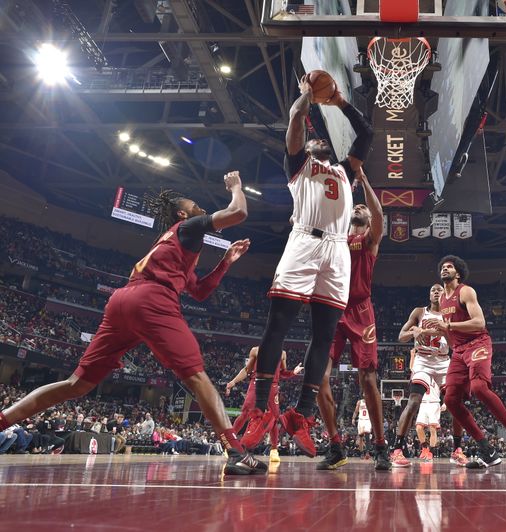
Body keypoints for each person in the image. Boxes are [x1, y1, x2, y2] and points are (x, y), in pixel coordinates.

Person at [0, 172, 264, 475]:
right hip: (152, 300)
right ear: (182, 213)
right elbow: (238, 212)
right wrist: (236, 188)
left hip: (122, 301)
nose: (200, 207)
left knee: (76, 384)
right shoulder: (188, 227)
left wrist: (226, 262)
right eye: (194, 204)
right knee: (197, 377)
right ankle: (235, 450)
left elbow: (200, 291)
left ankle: (2, 420)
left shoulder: (171, 245)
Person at [242, 74, 374, 457]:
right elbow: (296, 125)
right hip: (304, 240)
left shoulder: (345, 172)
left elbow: (365, 134)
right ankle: (261, 411)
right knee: (278, 325)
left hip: (337, 251)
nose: (319, 141)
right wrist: (305, 98)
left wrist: (339, 102)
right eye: (315, 140)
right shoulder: (298, 165)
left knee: (323, 335)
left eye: (322, 140)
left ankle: (300, 415)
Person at [316, 169, 389, 471]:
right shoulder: (336, 238)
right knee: (317, 375)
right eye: (355, 207)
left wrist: (364, 177)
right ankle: (335, 445)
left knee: (367, 380)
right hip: (333, 308)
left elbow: (378, 213)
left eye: (363, 209)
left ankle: (381, 446)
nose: (359, 207)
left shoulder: (370, 239)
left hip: (360, 311)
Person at [432, 255, 506, 468]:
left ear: (457, 273)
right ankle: (487, 449)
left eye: (449, 267)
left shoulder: (465, 291)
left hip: (478, 343)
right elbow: (450, 334)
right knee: (450, 400)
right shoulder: (441, 300)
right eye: (443, 267)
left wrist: (449, 327)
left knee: (478, 387)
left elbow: (479, 323)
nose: (445, 269)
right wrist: (442, 335)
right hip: (458, 352)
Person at [390, 284, 454, 466]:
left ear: (445, 294)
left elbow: (454, 343)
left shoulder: (450, 315)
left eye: (439, 290)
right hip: (423, 360)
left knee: (455, 402)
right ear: (429, 294)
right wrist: (413, 331)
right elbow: (401, 336)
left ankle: (458, 449)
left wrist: (443, 331)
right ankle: (397, 450)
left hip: (443, 360)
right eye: (433, 289)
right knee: (413, 401)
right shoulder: (419, 312)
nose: (436, 292)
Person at [226, 348, 302, 462]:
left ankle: (274, 450)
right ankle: (230, 445)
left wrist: (293, 372)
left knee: (275, 418)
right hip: (256, 382)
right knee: (245, 412)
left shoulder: (282, 353)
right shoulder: (255, 350)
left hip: (273, 385)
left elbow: (282, 372)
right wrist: (233, 381)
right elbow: (247, 370)